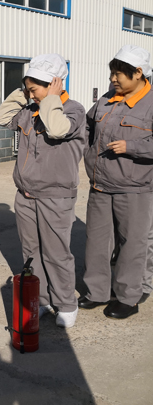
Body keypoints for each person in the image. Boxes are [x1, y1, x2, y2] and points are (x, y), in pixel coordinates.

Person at [0, 54, 85, 328]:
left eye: (35, 89)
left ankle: (66, 303)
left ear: (54, 84)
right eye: (29, 89)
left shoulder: (73, 110)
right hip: (25, 195)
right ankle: (43, 299)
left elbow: (57, 130)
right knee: (31, 251)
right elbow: (3, 118)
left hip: (55, 197)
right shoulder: (29, 110)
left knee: (56, 253)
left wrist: (51, 100)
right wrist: (24, 94)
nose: (31, 94)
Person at [80, 45, 153, 319]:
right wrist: (87, 152)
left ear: (138, 73)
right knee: (97, 242)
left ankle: (128, 298)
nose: (113, 79)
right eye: (112, 73)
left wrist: (132, 147)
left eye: (119, 74)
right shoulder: (107, 100)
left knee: (133, 244)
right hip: (100, 184)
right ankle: (96, 292)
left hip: (134, 188)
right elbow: (87, 126)